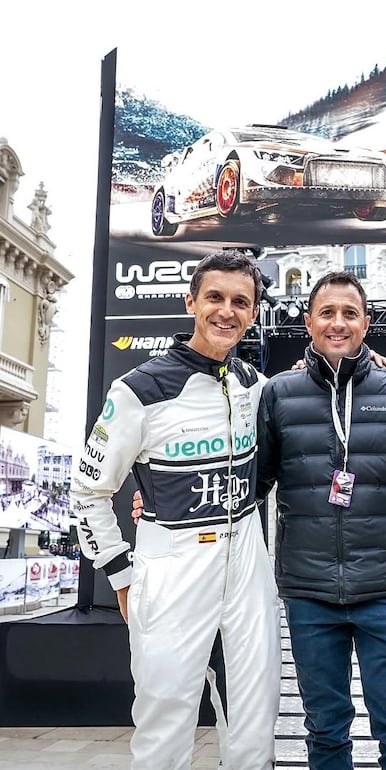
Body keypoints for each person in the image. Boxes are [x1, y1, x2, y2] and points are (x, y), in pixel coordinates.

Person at [71, 249, 281, 770]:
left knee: (256, 715)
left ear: (253, 312)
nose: (227, 311)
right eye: (215, 297)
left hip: (248, 565)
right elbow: (88, 491)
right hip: (172, 567)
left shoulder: (254, 385)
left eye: (241, 302)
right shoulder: (140, 388)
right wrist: (118, 573)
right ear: (191, 302)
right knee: (166, 716)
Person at [256, 270, 386, 770]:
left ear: (366, 322)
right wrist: (158, 504)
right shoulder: (277, 395)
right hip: (309, 592)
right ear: (308, 322)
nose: (338, 323)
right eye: (327, 313)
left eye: (349, 313)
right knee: (325, 731)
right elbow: (252, 485)